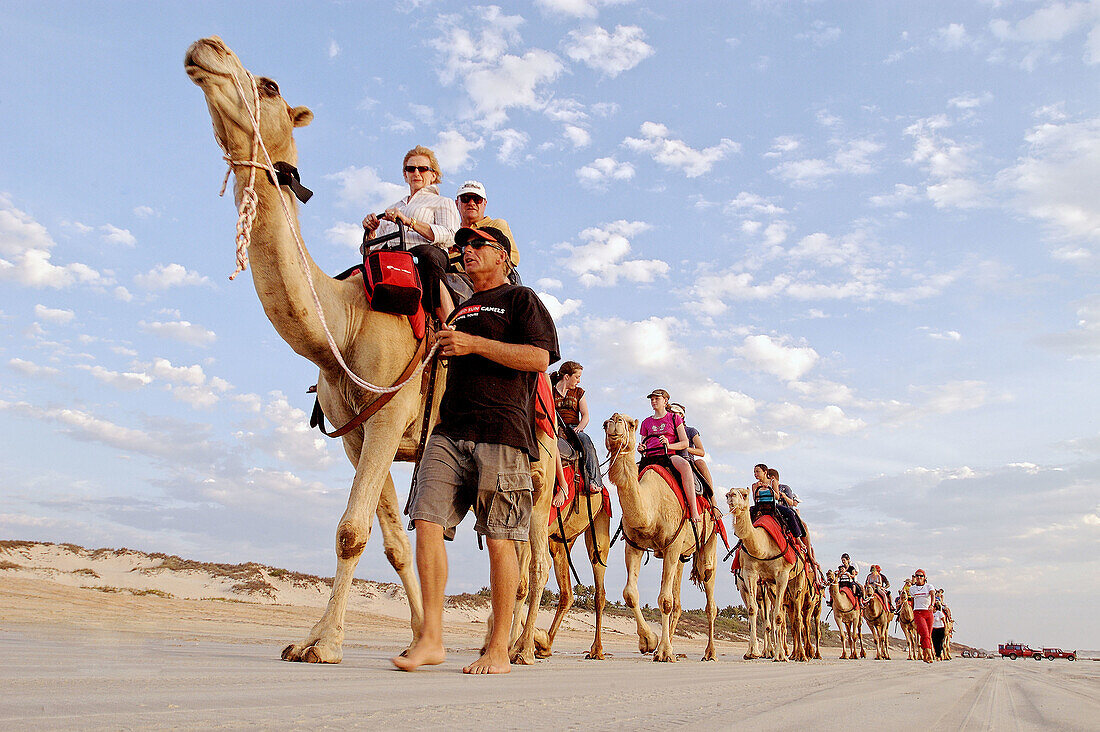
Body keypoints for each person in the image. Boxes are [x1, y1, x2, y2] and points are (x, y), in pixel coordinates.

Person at [393, 223, 560, 675]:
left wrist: (474, 344)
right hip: (449, 430)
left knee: (502, 538)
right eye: (463, 245)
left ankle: (499, 648)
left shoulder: (521, 300)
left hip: (502, 431)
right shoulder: (462, 306)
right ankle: (430, 638)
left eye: (478, 244)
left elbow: (540, 358)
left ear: (503, 255)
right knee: (425, 520)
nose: (467, 251)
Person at [362, 145, 460, 321]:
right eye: (411, 168)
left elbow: (451, 235)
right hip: (394, 258)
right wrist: (371, 231)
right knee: (361, 270)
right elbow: (368, 250)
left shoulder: (442, 202)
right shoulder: (394, 208)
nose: (416, 173)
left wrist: (410, 222)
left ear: (433, 175)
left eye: (422, 169)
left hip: (429, 254)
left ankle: (448, 323)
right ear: (405, 175)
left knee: (425, 255)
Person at [639, 389, 700, 523]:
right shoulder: (646, 422)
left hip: (668, 455)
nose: (653, 401)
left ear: (665, 401)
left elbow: (684, 443)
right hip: (649, 457)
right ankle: (627, 520)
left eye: (657, 399)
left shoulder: (674, 418)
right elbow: (643, 441)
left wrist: (669, 445)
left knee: (685, 466)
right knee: (628, 474)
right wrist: (641, 448)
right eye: (652, 399)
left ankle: (694, 509)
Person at [551, 361, 603, 494]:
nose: (579, 381)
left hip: (574, 428)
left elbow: (585, 416)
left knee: (586, 441)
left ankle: (594, 481)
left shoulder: (578, 392)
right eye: (577, 377)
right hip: (555, 428)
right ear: (567, 377)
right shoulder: (551, 391)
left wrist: (579, 427)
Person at [453, 180, 520, 280]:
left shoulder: (496, 225)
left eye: (477, 199)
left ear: (485, 203)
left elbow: (512, 260)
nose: (471, 203)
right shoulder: (451, 232)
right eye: (465, 199)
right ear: (457, 202)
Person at [667, 403, 715, 493]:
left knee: (701, 463)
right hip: (669, 459)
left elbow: (701, 452)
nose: (671, 415)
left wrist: (684, 447)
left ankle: (712, 500)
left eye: (674, 413)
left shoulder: (690, 431)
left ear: (681, 415)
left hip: (687, 460)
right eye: (669, 413)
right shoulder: (667, 431)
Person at [906, 569, 937, 663]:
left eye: (921, 576)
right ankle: (930, 654)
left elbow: (933, 595)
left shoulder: (929, 586)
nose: (919, 578)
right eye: (917, 576)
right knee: (925, 634)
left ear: (924, 577)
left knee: (928, 635)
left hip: (929, 612)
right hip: (918, 613)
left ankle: (924, 655)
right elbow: (911, 599)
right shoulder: (912, 589)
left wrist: (932, 604)